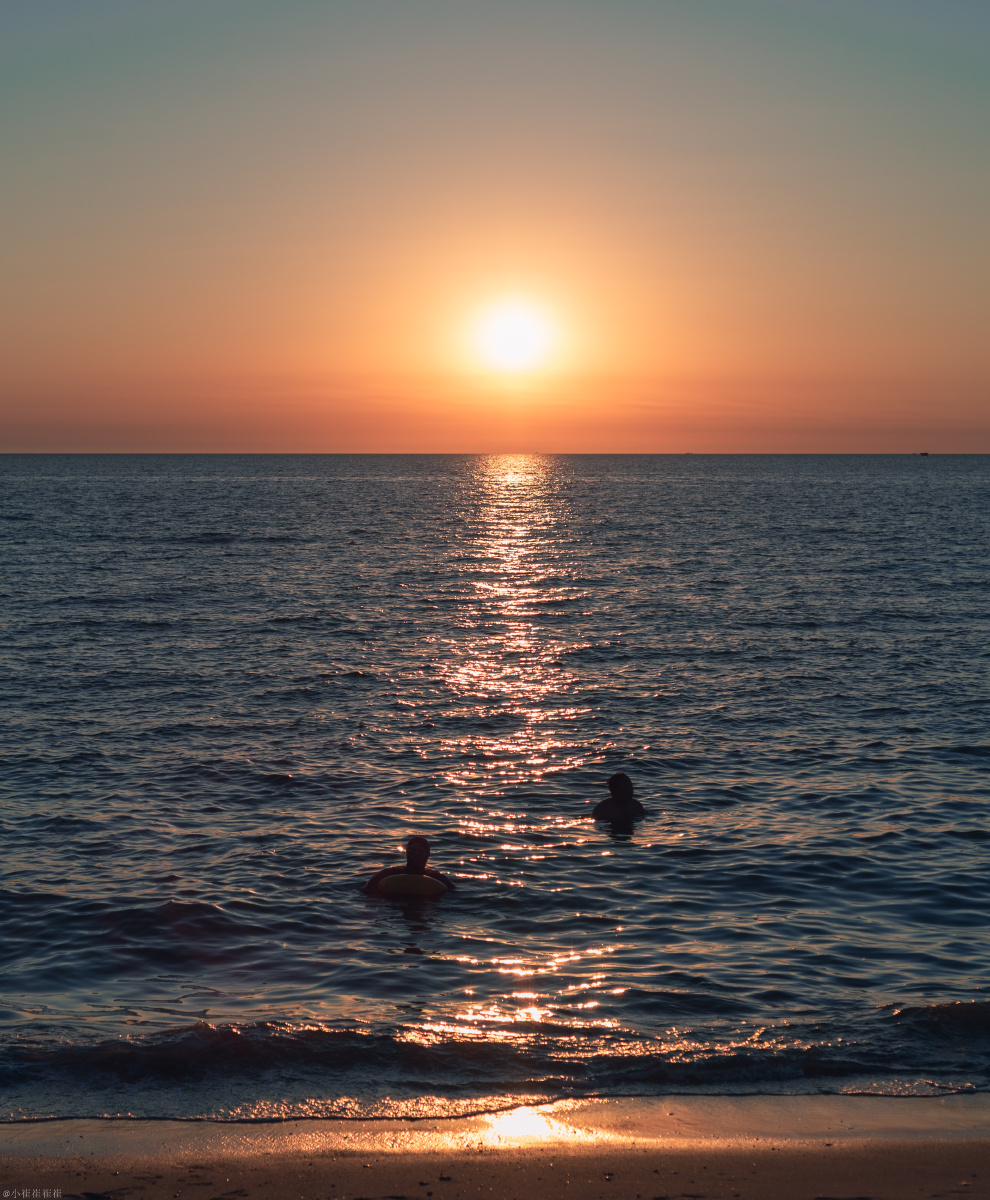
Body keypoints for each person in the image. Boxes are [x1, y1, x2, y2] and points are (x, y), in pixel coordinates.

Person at [364, 835, 457, 895]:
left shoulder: (438, 878)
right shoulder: (389, 873)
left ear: (427, 855)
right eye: (413, 850)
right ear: (407, 853)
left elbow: (453, 895)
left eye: (420, 851)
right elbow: (368, 890)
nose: (416, 854)